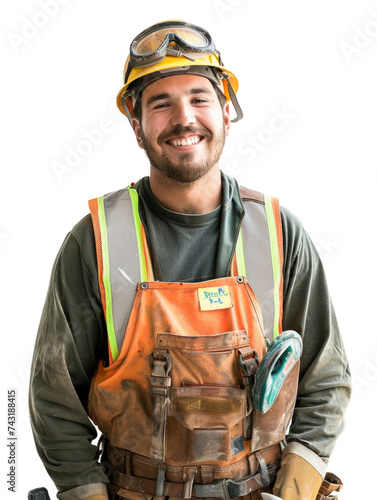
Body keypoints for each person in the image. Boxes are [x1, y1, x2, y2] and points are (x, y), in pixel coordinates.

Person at [29, 20, 351, 500]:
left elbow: (325, 379)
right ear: (137, 126)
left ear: (226, 112)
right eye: (161, 103)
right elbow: (54, 401)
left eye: (199, 98)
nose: (184, 118)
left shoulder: (279, 234)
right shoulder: (93, 243)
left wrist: (293, 491)